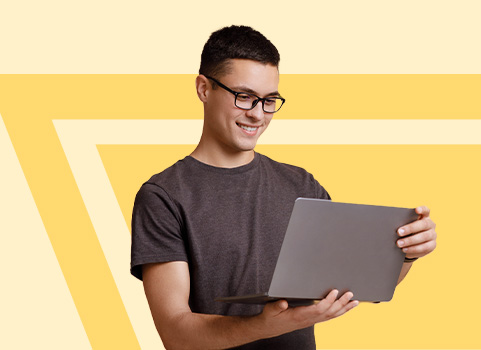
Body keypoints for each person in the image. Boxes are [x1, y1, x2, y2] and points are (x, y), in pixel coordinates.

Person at [130, 25, 437, 349]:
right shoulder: (163, 197)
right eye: (244, 97)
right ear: (204, 88)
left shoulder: (301, 185)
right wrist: (263, 326)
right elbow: (175, 333)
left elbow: (355, 284)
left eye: (269, 100)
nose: (258, 114)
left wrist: (405, 254)